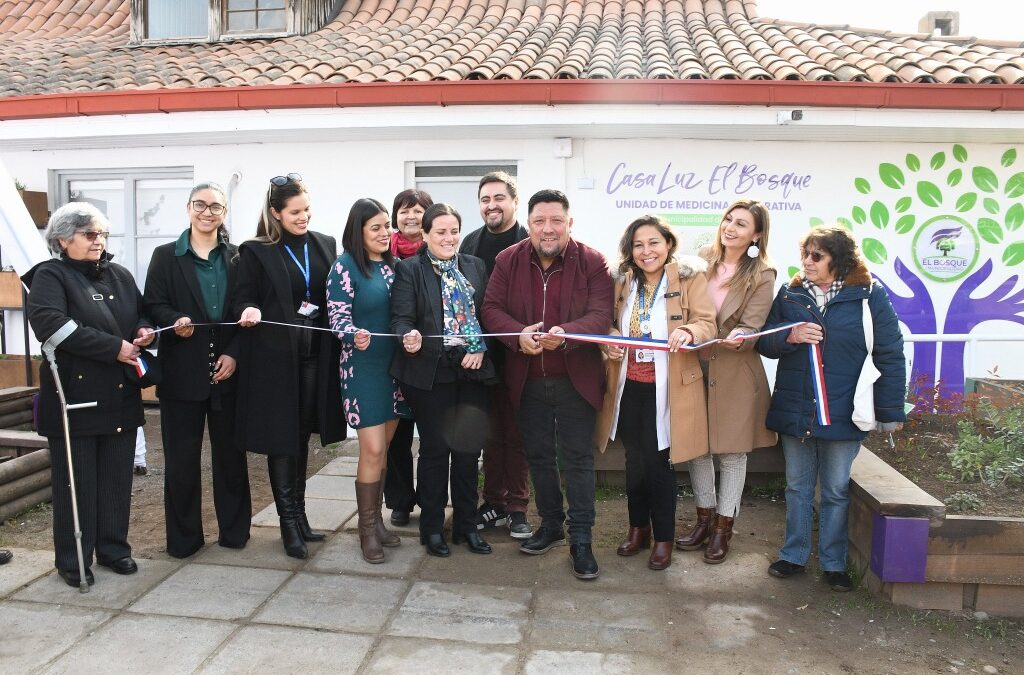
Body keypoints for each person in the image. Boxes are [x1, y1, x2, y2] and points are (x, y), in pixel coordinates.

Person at [757, 225, 906, 592]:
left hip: (843, 409)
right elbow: (765, 341)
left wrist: (890, 411)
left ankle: (834, 563)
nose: (807, 262)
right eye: (805, 254)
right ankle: (793, 556)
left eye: (816, 256)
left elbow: (889, 352)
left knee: (836, 490)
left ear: (837, 261)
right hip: (797, 407)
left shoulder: (869, 296)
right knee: (796, 487)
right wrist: (789, 336)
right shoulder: (791, 294)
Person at [481, 189, 613, 579]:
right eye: (539, 221)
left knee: (577, 461)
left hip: (576, 380)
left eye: (556, 221)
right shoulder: (508, 259)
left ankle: (582, 539)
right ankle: (552, 525)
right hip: (526, 380)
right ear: (530, 223)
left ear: (569, 223)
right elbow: (490, 309)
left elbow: (601, 313)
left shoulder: (592, 261)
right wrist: (517, 334)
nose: (547, 229)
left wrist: (567, 333)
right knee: (538, 457)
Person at [24, 202, 155, 586]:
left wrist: (144, 330)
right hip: (75, 402)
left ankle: (115, 549)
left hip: (120, 396)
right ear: (64, 239)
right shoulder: (50, 276)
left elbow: (142, 313)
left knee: (117, 479)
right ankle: (73, 559)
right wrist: (114, 348)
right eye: (90, 234)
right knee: (76, 485)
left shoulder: (120, 275)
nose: (99, 240)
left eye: (102, 234)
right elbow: (51, 325)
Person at [594, 216, 716, 571]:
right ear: (630, 251)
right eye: (638, 245)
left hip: (670, 387)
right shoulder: (623, 281)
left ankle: (663, 538)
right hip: (629, 385)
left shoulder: (690, 278)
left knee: (660, 464)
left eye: (653, 243)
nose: (647, 252)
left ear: (668, 244)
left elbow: (708, 322)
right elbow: (610, 323)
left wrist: (690, 331)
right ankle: (638, 529)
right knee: (634, 462)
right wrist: (611, 340)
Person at [235, 174, 344, 559]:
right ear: (276, 213)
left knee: (301, 438)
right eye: (295, 212)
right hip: (278, 362)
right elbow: (241, 298)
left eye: (307, 210)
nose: (303, 218)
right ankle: (287, 523)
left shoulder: (325, 244)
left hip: (318, 356)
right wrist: (248, 309)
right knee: (284, 439)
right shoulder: (255, 251)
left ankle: (301, 517)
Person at [143, 181, 251, 559]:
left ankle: (235, 533)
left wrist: (235, 354)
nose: (208, 212)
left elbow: (243, 309)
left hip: (227, 371)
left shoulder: (237, 257)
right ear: (188, 208)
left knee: (231, 459)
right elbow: (153, 304)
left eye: (216, 207)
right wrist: (174, 320)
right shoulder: (164, 256)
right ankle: (185, 540)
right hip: (181, 374)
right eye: (200, 205)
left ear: (224, 214)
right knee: (182, 461)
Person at [391, 203, 496, 557]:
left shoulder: (475, 266)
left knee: (468, 452)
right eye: (440, 232)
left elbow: (487, 316)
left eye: (454, 231)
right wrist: (408, 336)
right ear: (425, 234)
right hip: (430, 370)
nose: (449, 238)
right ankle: (432, 528)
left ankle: (467, 527)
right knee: (436, 451)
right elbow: (401, 318)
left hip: (472, 368)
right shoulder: (408, 270)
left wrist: (480, 348)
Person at [676, 200, 777, 564]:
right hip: (694, 367)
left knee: (732, 453)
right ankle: (703, 520)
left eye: (742, 224)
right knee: (697, 446)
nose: (731, 228)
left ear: (757, 234)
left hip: (734, 371)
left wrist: (740, 334)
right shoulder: (702, 259)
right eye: (728, 220)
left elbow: (753, 325)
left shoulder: (763, 274)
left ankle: (723, 529)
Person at [327, 197, 410, 563]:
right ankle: (365, 531)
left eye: (386, 226)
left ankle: (376, 523)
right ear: (358, 231)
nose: (384, 232)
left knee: (386, 447)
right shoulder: (344, 268)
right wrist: (351, 334)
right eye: (375, 227)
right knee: (373, 449)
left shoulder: (395, 268)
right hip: (362, 369)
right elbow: (337, 317)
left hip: (395, 369)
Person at [460, 171, 532, 539]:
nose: (492, 205)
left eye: (499, 198)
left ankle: (517, 506)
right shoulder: (469, 243)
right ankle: (493, 502)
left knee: (516, 434)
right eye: (485, 199)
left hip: (521, 355)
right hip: (480, 358)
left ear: (514, 202)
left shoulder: (529, 241)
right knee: (490, 434)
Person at [383, 189, 433, 527]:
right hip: (391, 360)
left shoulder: (441, 253)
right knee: (396, 437)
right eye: (404, 211)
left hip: (430, 359)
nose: (411, 217)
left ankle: (431, 500)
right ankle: (400, 500)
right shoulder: (380, 252)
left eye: (418, 211)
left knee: (431, 438)